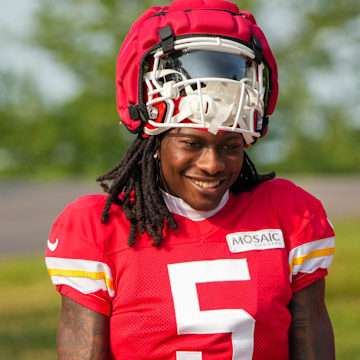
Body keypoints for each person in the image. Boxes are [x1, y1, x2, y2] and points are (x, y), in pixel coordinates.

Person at [45, 0, 335, 359]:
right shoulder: (98, 227)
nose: (213, 165)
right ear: (155, 140)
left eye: (230, 145)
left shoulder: (289, 213)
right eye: (192, 143)